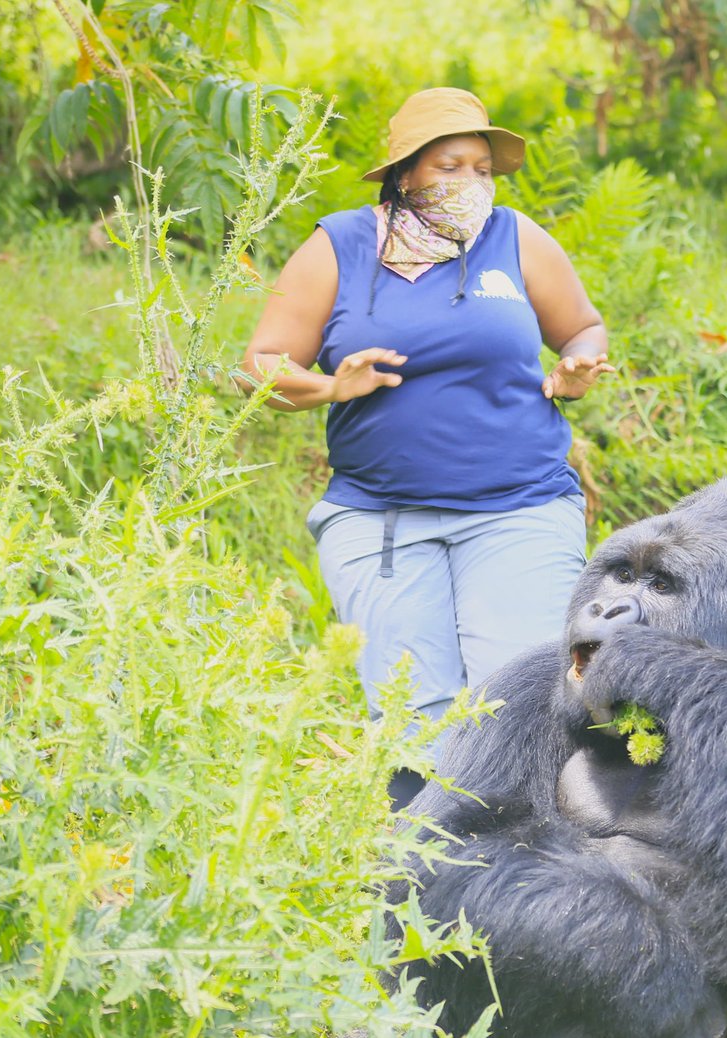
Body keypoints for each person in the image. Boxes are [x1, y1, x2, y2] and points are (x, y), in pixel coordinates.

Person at [241, 87, 613, 806]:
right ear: (404, 172)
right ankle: (420, 885)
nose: (471, 183)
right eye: (450, 165)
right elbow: (260, 365)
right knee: (413, 715)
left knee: (523, 696)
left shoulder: (516, 239)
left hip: (520, 509)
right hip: (381, 519)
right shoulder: (339, 246)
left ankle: (533, 880)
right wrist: (330, 389)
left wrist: (574, 372)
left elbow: (583, 328)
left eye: (483, 168)